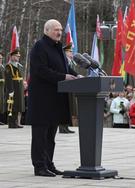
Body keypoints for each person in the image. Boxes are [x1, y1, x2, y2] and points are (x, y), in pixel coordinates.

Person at [27, 19, 78, 177]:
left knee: (51, 136)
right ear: (46, 30)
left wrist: (77, 76)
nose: (59, 32)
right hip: (42, 100)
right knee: (40, 136)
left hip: (55, 99)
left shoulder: (58, 48)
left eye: (60, 30)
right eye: (56, 29)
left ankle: (49, 163)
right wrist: (64, 76)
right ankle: (39, 166)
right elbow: (41, 70)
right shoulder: (39, 47)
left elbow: (65, 67)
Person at [58, 44, 77, 133]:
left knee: (67, 107)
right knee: (63, 107)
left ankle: (65, 126)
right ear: (65, 52)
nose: (71, 53)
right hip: (63, 86)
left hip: (68, 86)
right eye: (70, 51)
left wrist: (77, 75)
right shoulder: (62, 61)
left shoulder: (67, 61)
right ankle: (62, 127)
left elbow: (70, 70)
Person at [5, 48, 25, 128]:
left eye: (18, 56)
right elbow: (8, 79)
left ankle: (16, 122)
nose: (18, 58)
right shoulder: (8, 66)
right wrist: (10, 90)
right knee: (12, 106)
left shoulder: (19, 66)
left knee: (18, 105)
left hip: (19, 88)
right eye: (16, 56)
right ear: (12, 56)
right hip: (13, 88)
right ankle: (11, 123)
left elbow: (21, 76)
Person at [0, 51, 6, 125]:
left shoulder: (2, 67)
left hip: (2, 88)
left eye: (1, 58)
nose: (0, 59)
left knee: (1, 103)